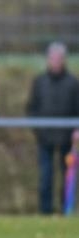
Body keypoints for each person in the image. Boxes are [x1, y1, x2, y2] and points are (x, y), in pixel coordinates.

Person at [26, 42, 79, 214]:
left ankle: (66, 210)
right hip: (45, 138)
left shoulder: (73, 83)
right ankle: (45, 212)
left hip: (67, 139)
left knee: (67, 178)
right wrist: (38, 130)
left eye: (59, 58)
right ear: (48, 60)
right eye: (53, 58)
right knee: (46, 177)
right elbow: (31, 108)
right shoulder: (40, 82)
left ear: (64, 60)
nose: (55, 62)